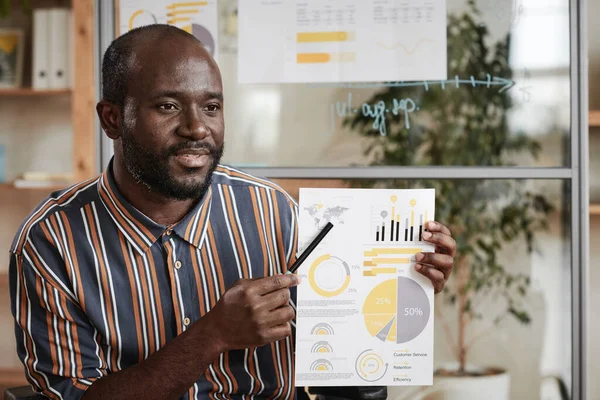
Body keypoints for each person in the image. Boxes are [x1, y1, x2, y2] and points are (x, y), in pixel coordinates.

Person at [8, 24, 456, 400]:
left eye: (212, 106)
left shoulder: (272, 211)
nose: (196, 127)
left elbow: (343, 340)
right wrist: (213, 335)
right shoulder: (52, 242)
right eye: (167, 106)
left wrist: (403, 283)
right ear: (111, 119)